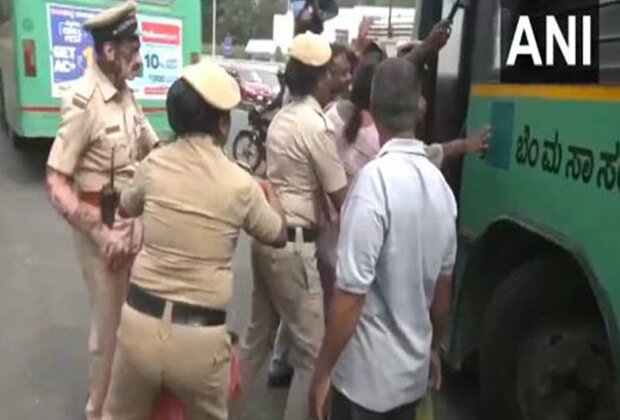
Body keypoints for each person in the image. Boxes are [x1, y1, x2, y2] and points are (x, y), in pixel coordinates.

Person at [102, 60, 287, 420]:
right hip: (200, 344)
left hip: (138, 326)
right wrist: (269, 189)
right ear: (221, 125)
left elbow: (125, 206)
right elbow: (278, 235)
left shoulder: (154, 165)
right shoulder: (240, 183)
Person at [310, 57, 458, 420]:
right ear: (419, 111)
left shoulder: (372, 184)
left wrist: (323, 370)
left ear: (372, 110)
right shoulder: (442, 191)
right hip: (411, 383)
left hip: (364, 387)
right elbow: (441, 298)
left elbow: (349, 297)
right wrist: (433, 349)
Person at [45, 2, 159, 418]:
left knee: (136, 320)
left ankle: (123, 402)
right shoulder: (83, 100)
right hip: (101, 230)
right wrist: (98, 232)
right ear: (109, 52)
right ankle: (98, 410)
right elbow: (56, 181)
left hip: (131, 225)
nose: (139, 55)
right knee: (109, 329)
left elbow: (154, 150)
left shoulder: (126, 96)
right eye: (132, 46)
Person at [234, 32, 348, 420]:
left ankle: (224, 412)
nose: (338, 79)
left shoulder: (282, 116)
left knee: (254, 343)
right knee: (313, 354)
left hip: (267, 240)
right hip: (295, 250)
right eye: (333, 73)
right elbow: (340, 195)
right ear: (319, 79)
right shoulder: (315, 126)